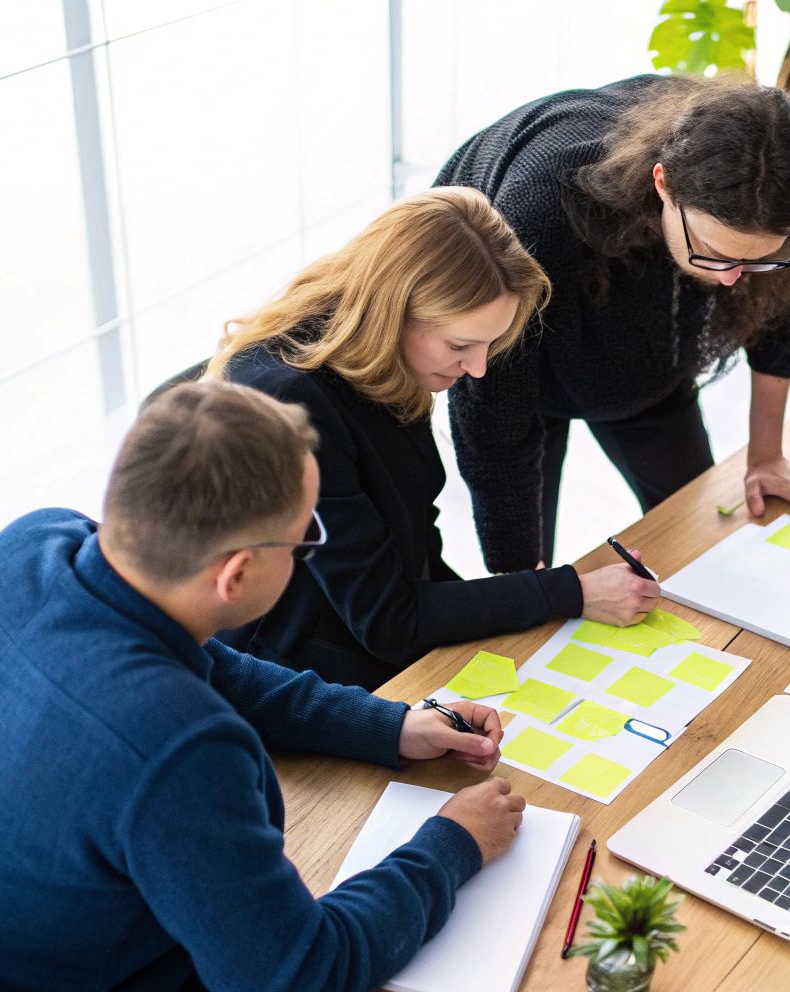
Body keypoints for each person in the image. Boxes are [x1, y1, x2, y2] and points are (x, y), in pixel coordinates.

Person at [0, 381, 526, 992]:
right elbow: (298, 983)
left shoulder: (32, 545)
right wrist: (452, 845)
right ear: (236, 573)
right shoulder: (180, 745)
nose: (306, 553)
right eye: (304, 539)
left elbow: (208, 666)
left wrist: (391, 726)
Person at [206, 187, 658, 687]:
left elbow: (414, 556)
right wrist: (566, 592)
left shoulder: (385, 363)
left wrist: (538, 600)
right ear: (393, 311)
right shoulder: (295, 403)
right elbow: (388, 621)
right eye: (461, 345)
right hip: (301, 681)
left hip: (375, 645)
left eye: (490, 344)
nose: (479, 369)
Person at [434, 75, 790, 574]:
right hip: (519, 347)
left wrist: (766, 456)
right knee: (526, 564)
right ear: (664, 183)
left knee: (699, 540)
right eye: (715, 252)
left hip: (650, 353)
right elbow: (492, 424)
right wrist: (526, 585)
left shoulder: (776, 192)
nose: (730, 280)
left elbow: (776, 322)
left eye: (756, 259)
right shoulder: (540, 203)